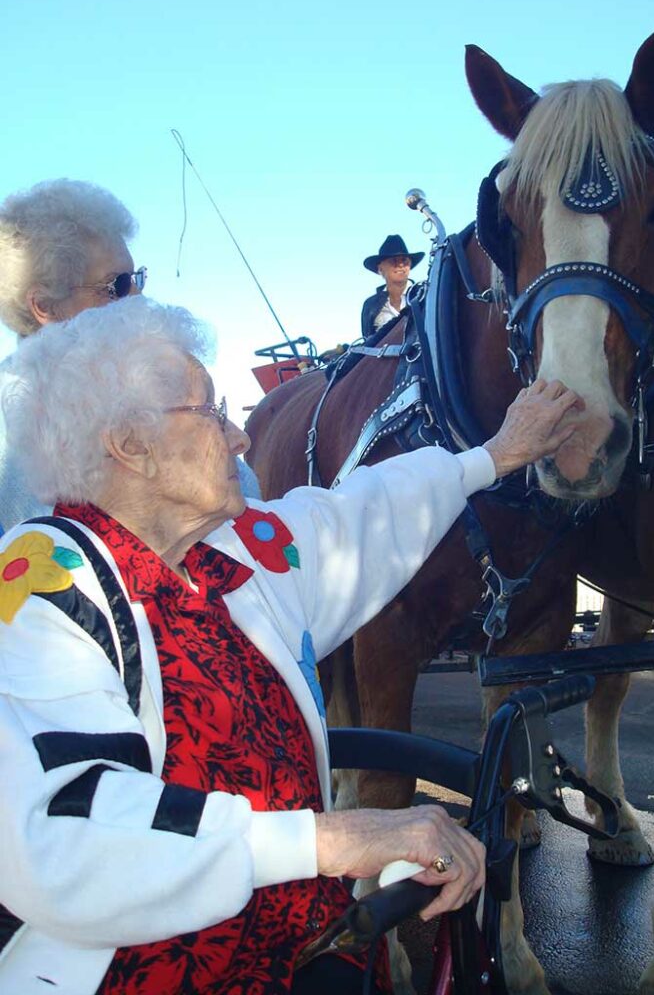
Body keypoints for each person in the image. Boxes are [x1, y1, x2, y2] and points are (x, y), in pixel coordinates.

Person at [0, 296, 583, 995]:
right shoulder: (39, 583)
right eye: (210, 413)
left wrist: (495, 456)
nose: (240, 438)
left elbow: (355, 516)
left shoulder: (232, 552)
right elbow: (69, 829)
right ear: (129, 444)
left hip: (304, 935)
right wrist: (334, 839)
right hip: (149, 968)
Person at [0, 179, 261, 533]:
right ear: (44, 306)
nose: (138, 298)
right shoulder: (18, 425)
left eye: (138, 278)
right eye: (117, 286)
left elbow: (247, 503)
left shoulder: (154, 386)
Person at [361, 234, 424, 338]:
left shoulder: (423, 295)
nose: (400, 265)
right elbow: (367, 344)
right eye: (393, 261)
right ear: (380, 269)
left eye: (404, 260)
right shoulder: (370, 305)